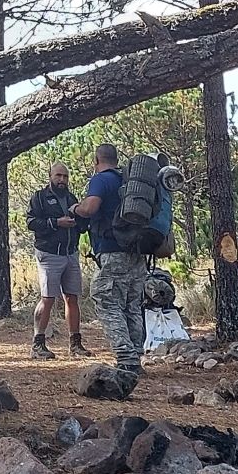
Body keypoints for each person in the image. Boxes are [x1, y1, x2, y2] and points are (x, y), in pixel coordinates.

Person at [64, 140, 145, 397]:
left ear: (96, 160)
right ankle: (135, 359)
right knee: (132, 305)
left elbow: (90, 208)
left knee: (107, 302)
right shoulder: (130, 181)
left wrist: (75, 208)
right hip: (137, 252)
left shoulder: (101, 180)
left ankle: (126, 359)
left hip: (111, 252)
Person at [25, 161, 89, 360]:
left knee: (72, 298)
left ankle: (75, 344)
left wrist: (80, 220)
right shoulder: (40, 198)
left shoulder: (71, 198)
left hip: (70, 253)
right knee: (48, 298)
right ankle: (38, 343)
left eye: (65, 176)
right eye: (58, 176)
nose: (62, 180)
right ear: (50, 177)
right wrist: (56, 223)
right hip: (49, 254)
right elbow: (31, 222)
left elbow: (81, 224)